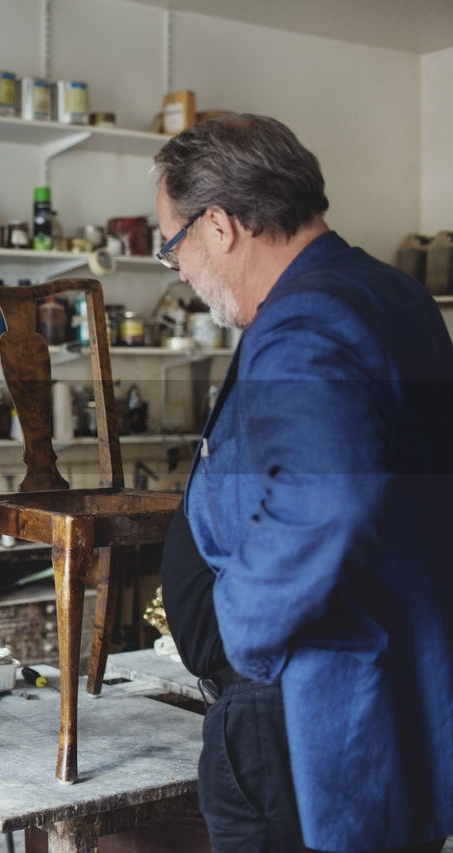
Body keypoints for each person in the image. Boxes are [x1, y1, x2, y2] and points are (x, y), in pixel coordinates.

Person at [153, 113, 453, 853]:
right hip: (394, 692)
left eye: (173, 247)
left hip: (303, 710)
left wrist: (238, 631)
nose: (182, 272)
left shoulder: (306, 321)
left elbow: (326, 501)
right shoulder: (393, 294)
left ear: (219, 226)